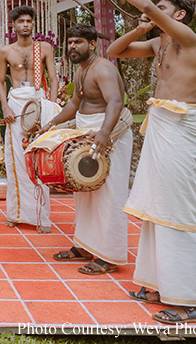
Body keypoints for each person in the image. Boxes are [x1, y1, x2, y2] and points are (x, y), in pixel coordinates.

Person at [89, 0, 196, 325]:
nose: (157, 12)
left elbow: (148, 7)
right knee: (156, 205)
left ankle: (189, 302)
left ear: (180, 14)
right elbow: (117, 52)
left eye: (164, 9)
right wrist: (141, 28)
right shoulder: (159, 41)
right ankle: (156, 284)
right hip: (160, 125)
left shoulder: (187, 38)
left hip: (180, 126)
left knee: (175, 208)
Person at [35, 24, 132, 275]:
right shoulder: (81, 71)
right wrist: (50, 124)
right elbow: (74, 103)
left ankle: (109, 255)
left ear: (92, 44)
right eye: (69, 42)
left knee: (109, 195)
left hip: (109, 134)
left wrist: (104, 133)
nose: (72, 47)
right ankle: (86, 246)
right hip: (87, 132)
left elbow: (116, 102)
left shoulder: (103, 68)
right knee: (85, 192)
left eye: (78, 42)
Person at [0, 5, 60, 233]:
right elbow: (0, 82)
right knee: (15, 159)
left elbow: (53, 77)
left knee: (39, 158)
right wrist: (5, 107)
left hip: (38, 101)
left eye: (28, 21)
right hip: (15, 102)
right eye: (21, 21)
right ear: (13, 25)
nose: (25, 24)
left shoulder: (43, 48)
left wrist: (50, 107)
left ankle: (42, 217)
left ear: (33, 24)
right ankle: (15, 214)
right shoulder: (6, 51)